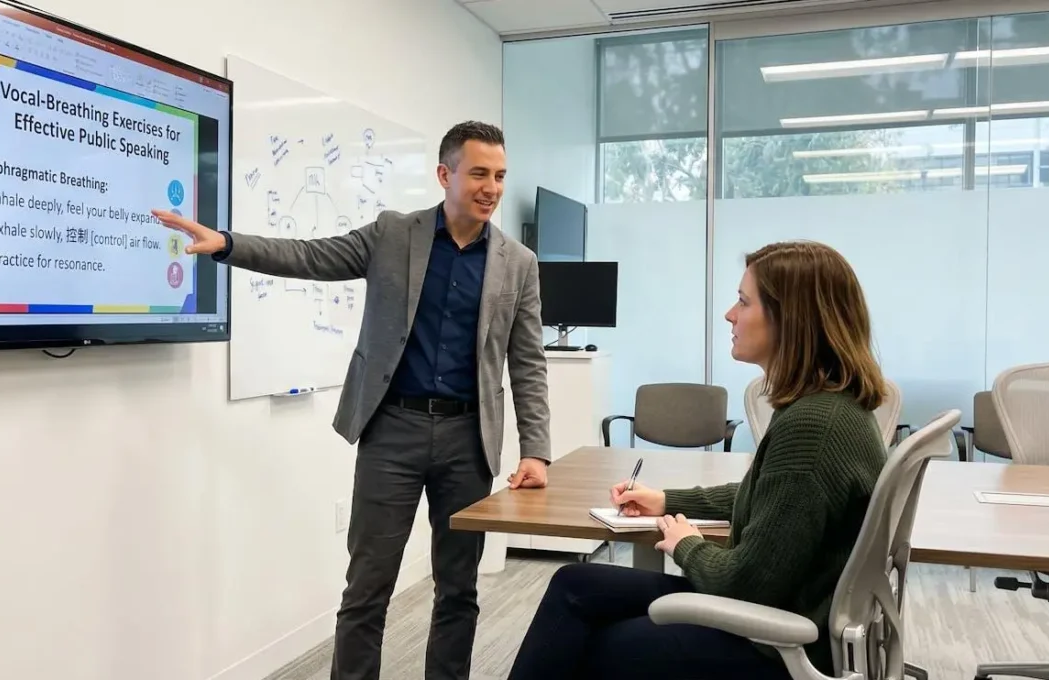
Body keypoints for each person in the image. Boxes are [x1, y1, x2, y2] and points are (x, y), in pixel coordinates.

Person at [152, 121, 551, 680]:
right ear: (445, 174)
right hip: (393, 432)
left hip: (468, 441)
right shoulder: (394, 235)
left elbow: (527, 362)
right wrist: (228, 244)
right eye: (479, 173)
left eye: (500, 176)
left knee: (459, 589)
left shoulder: (518, 263)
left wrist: (537, 450)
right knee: (368, 588)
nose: (492, 187)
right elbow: (311, 256)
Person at [506, 240, 889, 680]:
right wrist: (667, 500)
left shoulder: (813, 427)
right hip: (785, 615)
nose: (730, 314)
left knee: (598, 646)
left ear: (791, 320)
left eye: (744, 302)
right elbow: (769, 497)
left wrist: (686, 544)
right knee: (574, 585)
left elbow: (746, 582)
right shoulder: (828, 407)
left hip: (780, 647)